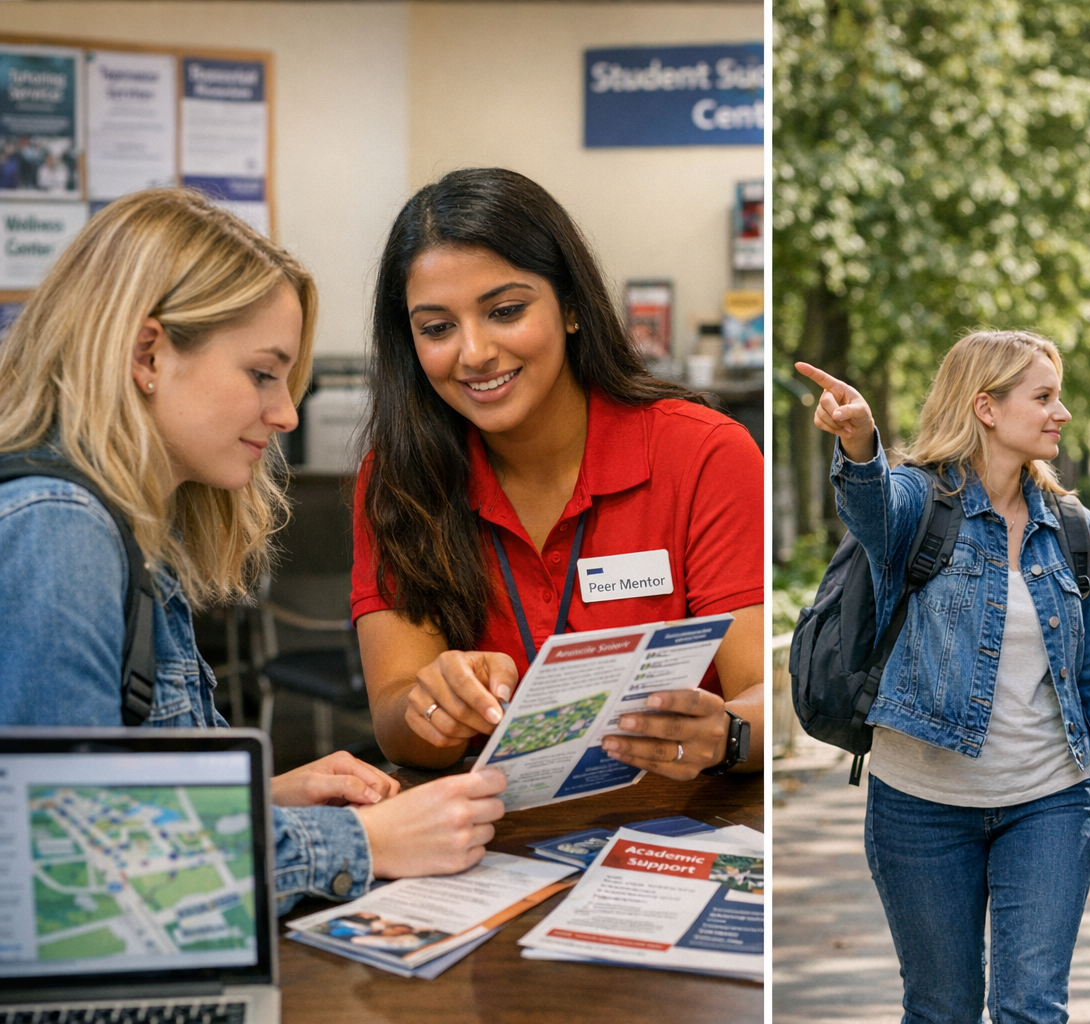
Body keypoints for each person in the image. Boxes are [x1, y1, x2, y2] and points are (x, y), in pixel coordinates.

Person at [0, 188, 511, 915]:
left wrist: (269, 799)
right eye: (263, 374)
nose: (286, 413)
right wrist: (363, 841)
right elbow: (76, 869)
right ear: (148, 353)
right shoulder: (59, 528)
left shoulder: (120, 524)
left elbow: (116, 793)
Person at [352, 168, 764, 777]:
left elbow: (759, 694)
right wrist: (438, 706)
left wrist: (727, 734)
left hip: (676, 824)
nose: (474, 353)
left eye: (506, 310)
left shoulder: (703, 454)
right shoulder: (397, 478)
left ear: (571, 306)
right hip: (497, 837)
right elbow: (395, 724)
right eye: (437, 328)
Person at [797, 330, 1090, 1024]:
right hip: (919, 804)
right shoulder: (916, 503)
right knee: (942, 1009)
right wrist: (860, 444)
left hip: (1050, 800)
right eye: (1044, 397)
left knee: (1031, 1009)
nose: (1062, 413)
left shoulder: (1073, 528)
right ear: (986, 407)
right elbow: (869, 506)